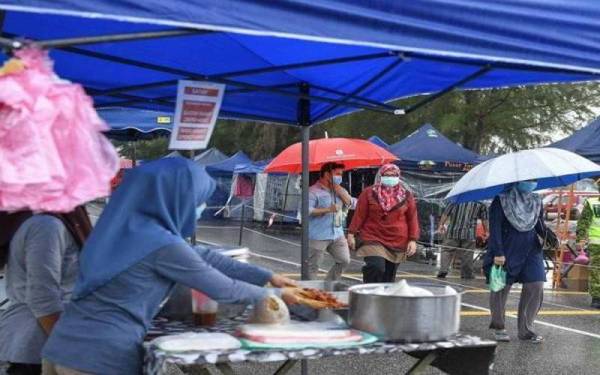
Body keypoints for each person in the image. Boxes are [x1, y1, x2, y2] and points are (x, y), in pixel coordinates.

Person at [41, 158, 299, 375]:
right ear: (177, 198)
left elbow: (204, 255)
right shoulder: (161, 243)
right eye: (198, 200)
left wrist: (268, 275)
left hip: (60, 348)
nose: (201, 208)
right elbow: (224, 290)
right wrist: (273, 295)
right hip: (100, 358)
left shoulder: (124, 230)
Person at [0, 207, 92, 375]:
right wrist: (70, 348)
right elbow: (42, 298)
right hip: (37, 348)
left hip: (39, 344)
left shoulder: (54, 223)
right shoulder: (46, 226)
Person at [484, 180, 555, 343]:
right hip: (507, 247)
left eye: (534, 180)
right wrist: (498, 252)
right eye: (528, 180)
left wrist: (548, 235)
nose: (532, 183)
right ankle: (499, 326)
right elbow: (495, 229)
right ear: (517, 181)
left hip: (531, 249)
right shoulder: (501, 200)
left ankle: (526, 330)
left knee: (536, 285)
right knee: (501, 288)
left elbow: (538, 225)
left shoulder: (536, 201)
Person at [347, 164, 419, 283]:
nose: (390, 177)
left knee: (388, 278)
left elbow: (412, 218)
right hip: (372, 237)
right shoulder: (368, 193)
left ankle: (384, 299)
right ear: (381, 176)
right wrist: (351, 234)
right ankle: (368, 292)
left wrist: (413, 239)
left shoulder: (407, 195)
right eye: (386, 175)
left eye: (393, 175)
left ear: (398, 177)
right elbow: (359, 214)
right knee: (376, 267)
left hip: (397, 240)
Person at [307, 162, 355, 280]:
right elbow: (306, 210)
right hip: (318, 234)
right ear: (327, 174)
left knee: (344, 260)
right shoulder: (312, 191)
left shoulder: (339, 190)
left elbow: (352, 204)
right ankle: (309, 290)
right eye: (337, 174)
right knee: (313, 266)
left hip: (337, 234)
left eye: (341, 174)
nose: (340, 177)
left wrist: (341, 191)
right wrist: (328, 209)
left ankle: (328, 285)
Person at [437, 201, 489, 279]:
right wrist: (487, 231)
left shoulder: (457, 198)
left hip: (452, 231)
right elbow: (484, 219)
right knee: (467, 253)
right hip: (469, 233)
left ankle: (443, 270)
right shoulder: (480, 201)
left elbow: (446, 213)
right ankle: (466, 274)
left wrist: (441, 225)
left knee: (447, 250)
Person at [576, 179, 600, 309]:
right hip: (596, 243)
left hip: (595, 243)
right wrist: (580, 239)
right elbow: (583, 223)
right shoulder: (592, 203)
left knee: (596, 271)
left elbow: (582, 223)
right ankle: (597, 298)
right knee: (596, 271)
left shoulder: (592, 203)